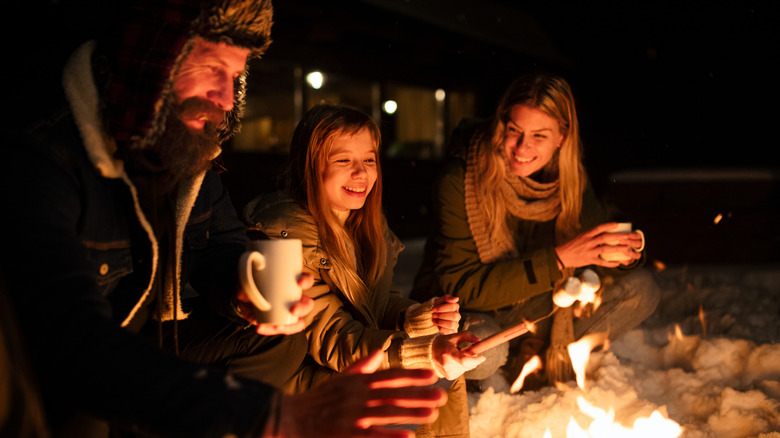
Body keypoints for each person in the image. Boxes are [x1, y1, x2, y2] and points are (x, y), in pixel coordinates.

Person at [0, 1, 448, 437]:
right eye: (213, 69)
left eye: (235, 77)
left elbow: (222, 245)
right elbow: (71, 341)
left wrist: (246, 285)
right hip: (49, 367)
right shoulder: (46, 161)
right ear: (158, 61)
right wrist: (265, 416)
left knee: (279, 336)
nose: (227, 97)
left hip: (149, 335)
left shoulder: (184, 155)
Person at [242, 104, 485, 438]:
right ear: (309, 167)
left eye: (369, 160)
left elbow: (377, 301)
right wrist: (421, 352)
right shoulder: (282, 238)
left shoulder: (365, 225)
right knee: (418, 376)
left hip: (341, 363)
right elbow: (333, 337)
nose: (361, 173)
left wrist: (416, 317)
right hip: (296, 385)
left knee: (438, 367)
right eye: (343, 161)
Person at [410, 73, 660, 386]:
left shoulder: (570, 181)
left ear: (562, 137)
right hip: (469, 312)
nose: (521, 147)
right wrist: (558, 260)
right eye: (514, 130)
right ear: (502, 124)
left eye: (539, 136)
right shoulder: (460, 178)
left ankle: (533, 357)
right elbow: (461, 285)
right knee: (481, 350)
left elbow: (594, 250)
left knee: (641, 289)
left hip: (531, 306)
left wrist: (623, 254)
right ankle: (510, 364)